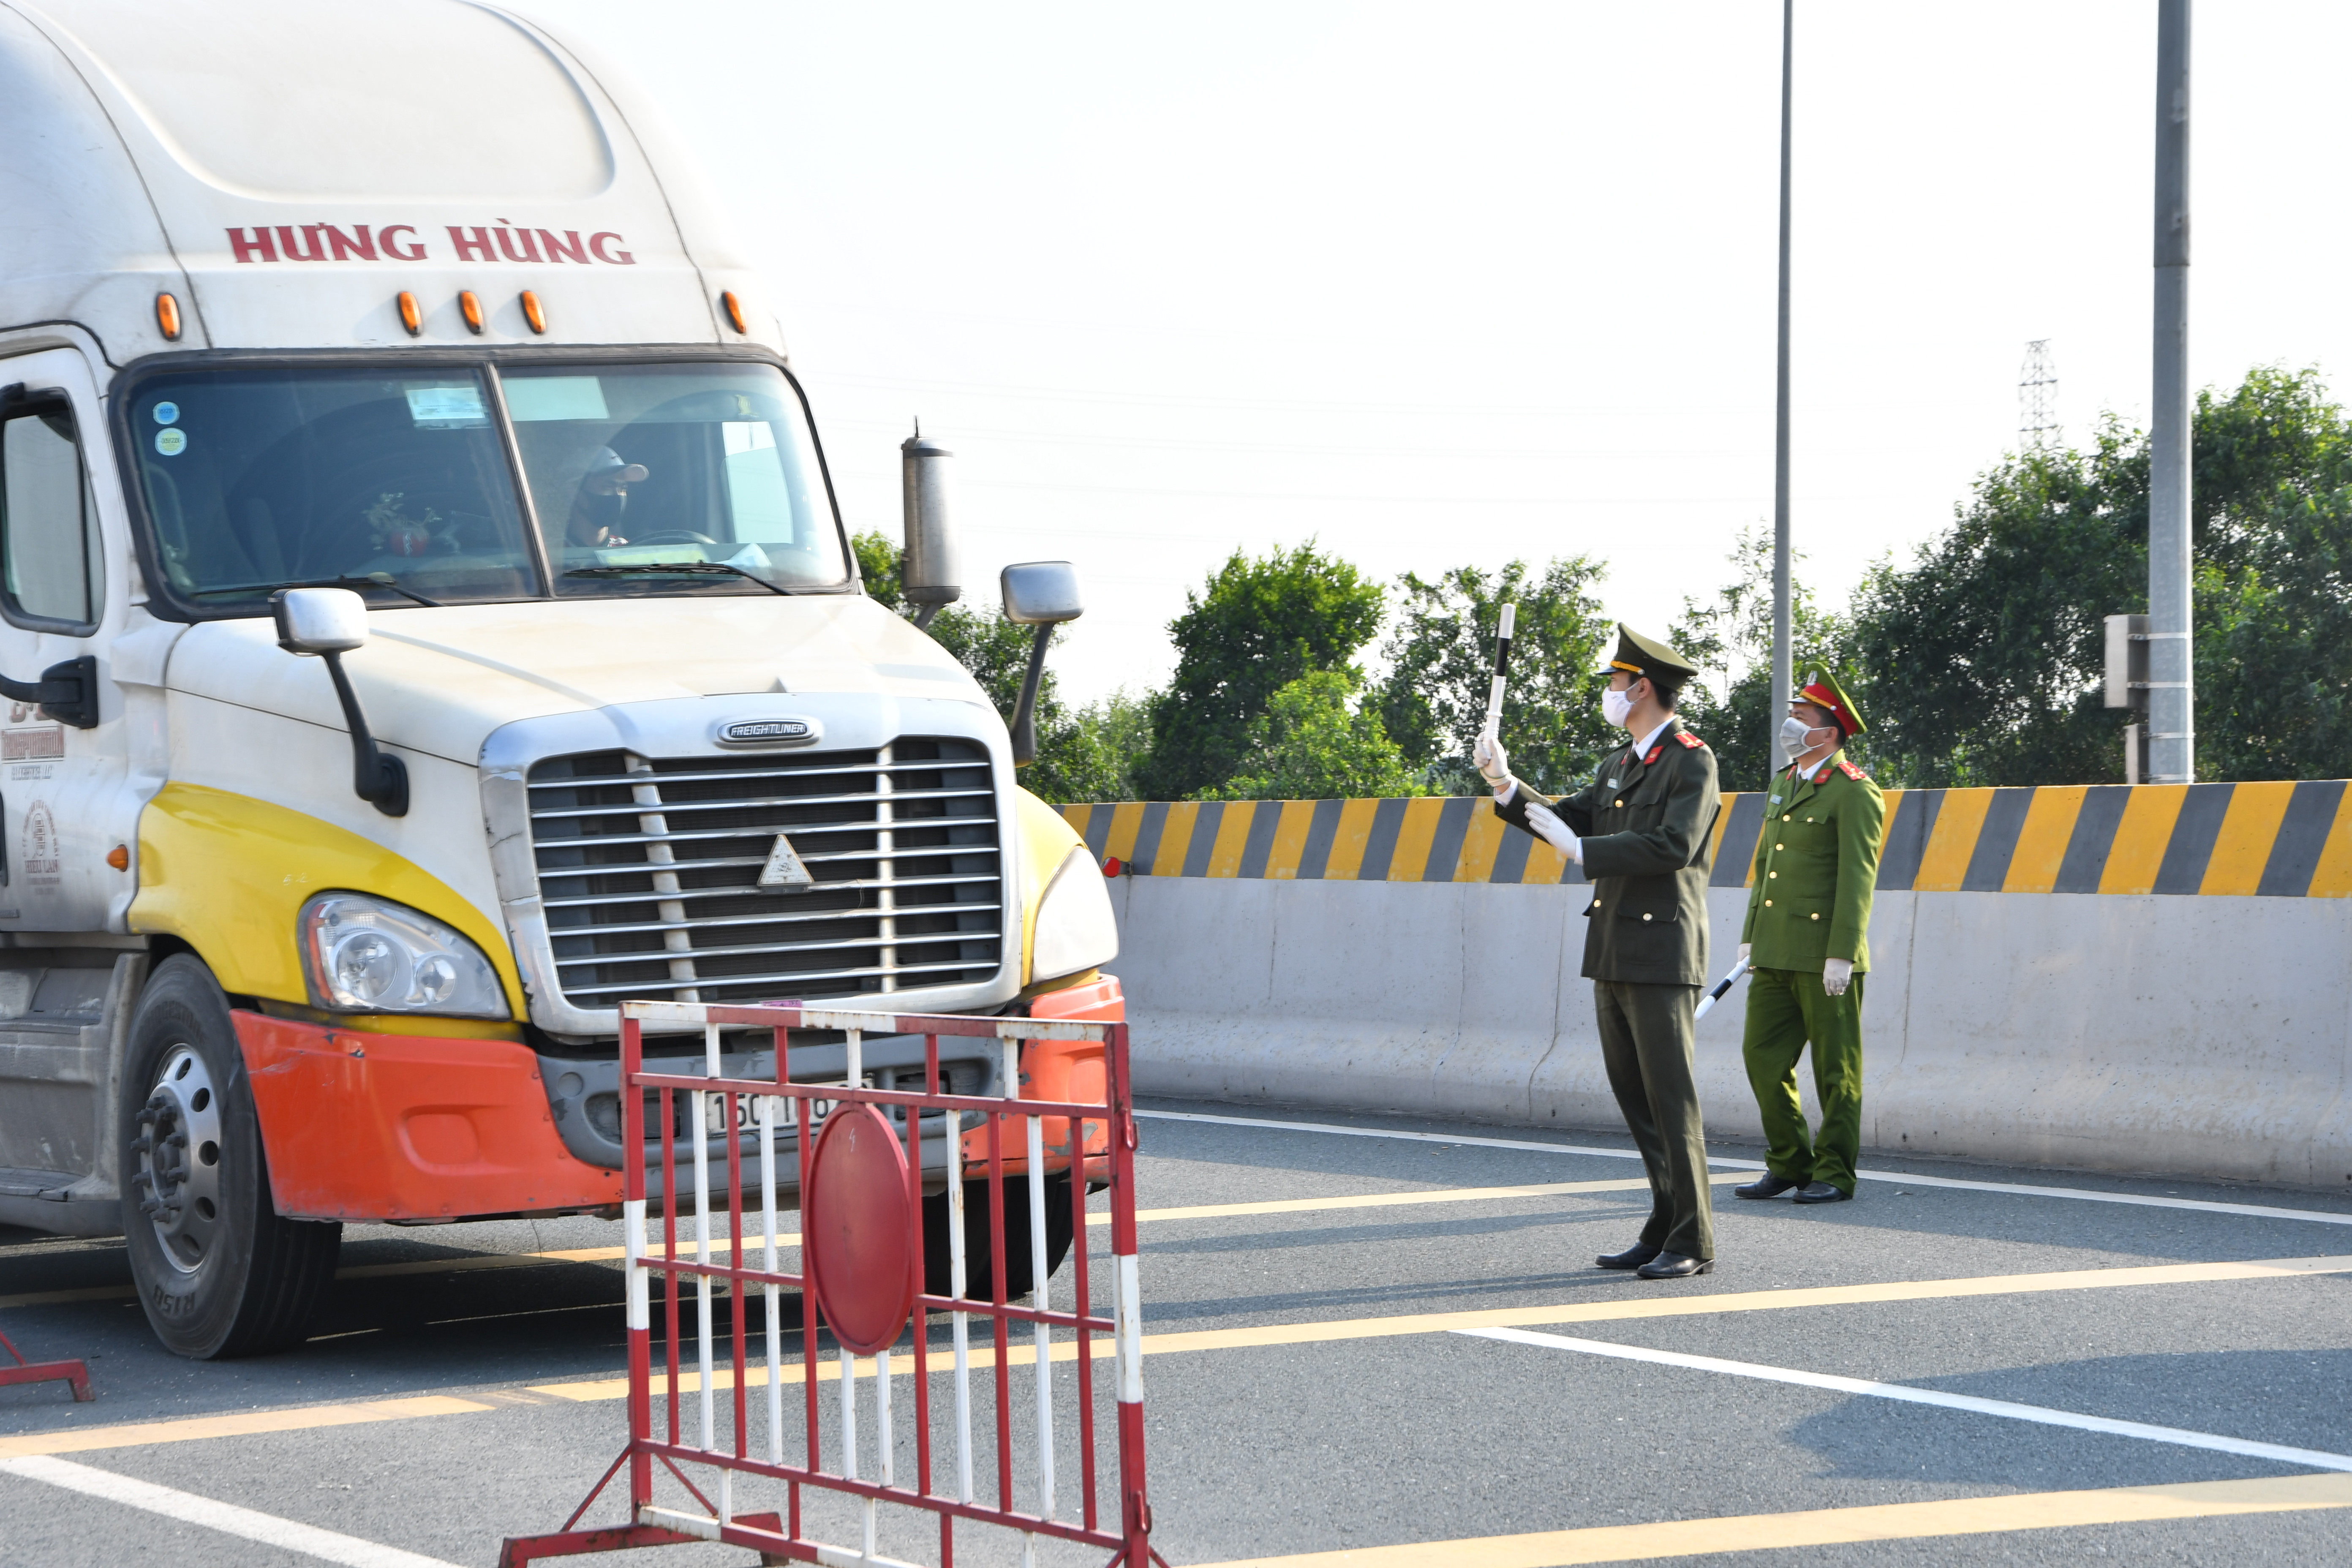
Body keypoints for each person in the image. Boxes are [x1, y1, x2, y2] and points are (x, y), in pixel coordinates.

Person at [1474, 624, 1722, 1279]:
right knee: (1636, 1098)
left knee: (1672, 1099)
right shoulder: (1618, 764)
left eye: (1616, 681)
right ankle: (1664, 1223)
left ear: (1642, 687)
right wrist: (1505, 783)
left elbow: (1675, 845)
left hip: (1664, 949)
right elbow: (1570, 818)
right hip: (1613, 946)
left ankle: (1693, 1238)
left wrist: (1584, 851)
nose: (1609, 691)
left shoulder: (1691, 760)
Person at [1733, 668, 1886, 1206]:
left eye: (1802, 717)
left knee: (1835, 1071)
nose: (1791, 724)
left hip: (1826, 957)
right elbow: (1765, 865)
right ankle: (1790, 1161)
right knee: (1762, 1058)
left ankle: (1835, 1172)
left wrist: (1842, 953)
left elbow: (1856, 880)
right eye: (1793, 714)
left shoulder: (1855, 792)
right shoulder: (1784, 781)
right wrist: (1751, 934)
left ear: (1831, 731)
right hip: (1775, 951)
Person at [566, 446, 648, 548]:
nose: (618, 495)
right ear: (576, 493)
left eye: (623, 488)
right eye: (608, 487)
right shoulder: (547, 555)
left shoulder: (627, 551)